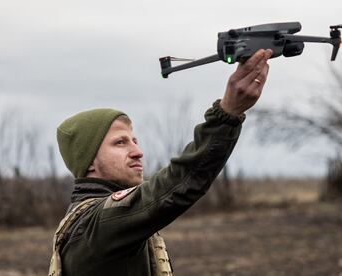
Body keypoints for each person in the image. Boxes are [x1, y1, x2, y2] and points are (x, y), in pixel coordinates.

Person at [49, 49, 273, 276]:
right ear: (88, 161)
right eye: (120, 143)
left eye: (134, 141)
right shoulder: (99, 225)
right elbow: (177, 184)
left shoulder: (103, 222)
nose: (138, 152)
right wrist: (227, 113)